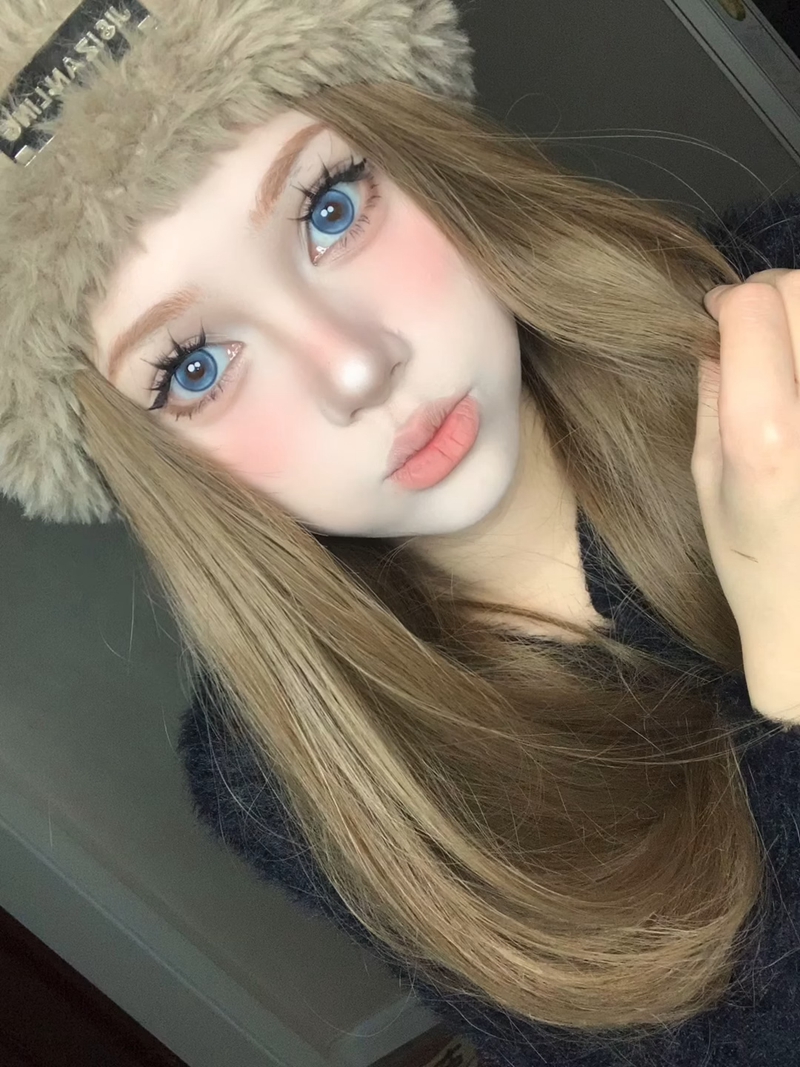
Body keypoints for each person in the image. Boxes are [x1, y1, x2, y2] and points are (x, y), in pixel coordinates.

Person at [2, 2, 800, 1064]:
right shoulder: (285, 773)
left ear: (420, 154)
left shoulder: (781, 312)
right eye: (194, 366)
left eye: (328, 208)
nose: (354, 367)